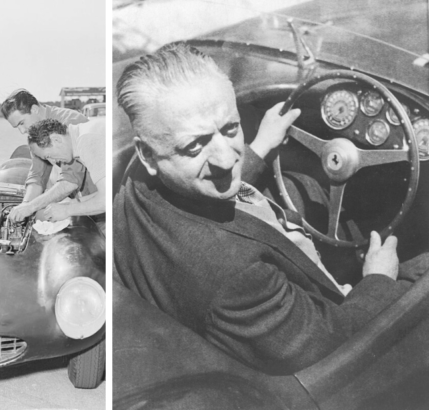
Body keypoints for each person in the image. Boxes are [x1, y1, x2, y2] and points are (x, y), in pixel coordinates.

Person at [113, 42, 426, 375]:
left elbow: (202, 170)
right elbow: (328, 341)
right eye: (195, 145)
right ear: (147, 154)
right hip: (329, 336)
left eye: (230, 128)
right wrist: (378, 279)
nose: (227, 158)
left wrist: (259, 147)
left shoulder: (138, 180)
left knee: (302, 188)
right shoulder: (235, 279)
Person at [0, 89, 93, 223]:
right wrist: (24, 205)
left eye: (21, 123)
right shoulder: (35, 134)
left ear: (35, 109)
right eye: (17, 127)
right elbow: (38, 175)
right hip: (82, 202)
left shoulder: (71, 122)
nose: (21, 131)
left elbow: (70, 181)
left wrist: (31, 207)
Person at [16, 118, 106, 224]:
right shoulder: (83, 134)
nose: (53, 162)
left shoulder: (87, 140)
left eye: (49, 156)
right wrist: (71, 204)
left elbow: (107, 200)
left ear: (57, 140)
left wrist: (67, 210)